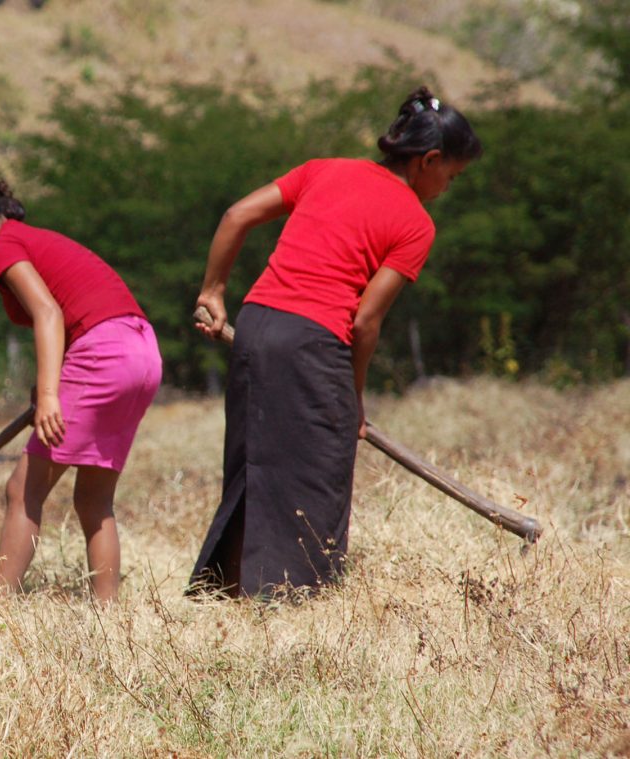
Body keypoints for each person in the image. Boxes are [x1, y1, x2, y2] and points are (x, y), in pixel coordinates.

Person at [189, 86, 483, 599]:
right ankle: (292, 613)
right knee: (315, 484)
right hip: (312, 343)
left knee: (252, 467)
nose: (446, 188)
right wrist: (354, 398)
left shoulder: (324, 170)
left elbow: (236, 215)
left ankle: (229, 601)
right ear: (428, 160)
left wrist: (213, 291)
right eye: (451, 177)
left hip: (256, 327)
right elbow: (365, 321)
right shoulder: (416, 223)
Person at [0, 170, 161, 604]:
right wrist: (46, 388)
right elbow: (67, 312)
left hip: (103, 352)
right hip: (140, 352)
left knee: (22, 490)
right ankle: (110, 618)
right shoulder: (28, 240)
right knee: (93, 500)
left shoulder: (6, 246)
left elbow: (48, 314)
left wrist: (51, 394)